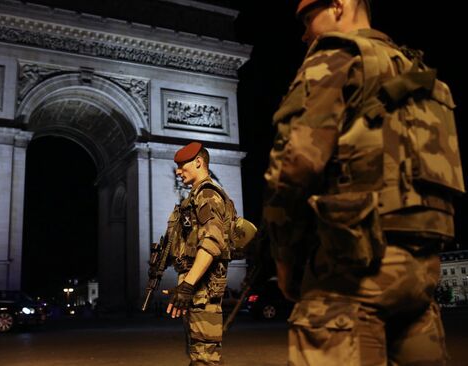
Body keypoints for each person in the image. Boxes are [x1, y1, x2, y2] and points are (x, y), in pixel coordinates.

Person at [263, 0, 464, 365]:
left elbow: (291, 169)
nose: (305, 32)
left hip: (352, 268)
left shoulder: (336, 58)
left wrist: (284, 258)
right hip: (420, 271)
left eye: (309, 17)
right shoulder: (414, 69)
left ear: (339, 5)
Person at [164, 141, 236, 365]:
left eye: (182, 165)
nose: (177, 171)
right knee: (198, 353)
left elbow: (212, 242)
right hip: (197, 287)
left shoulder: (207, 195)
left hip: (202, 288)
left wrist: (188, 285)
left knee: (205, 357)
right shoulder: (194, 197)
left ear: (198, 162)